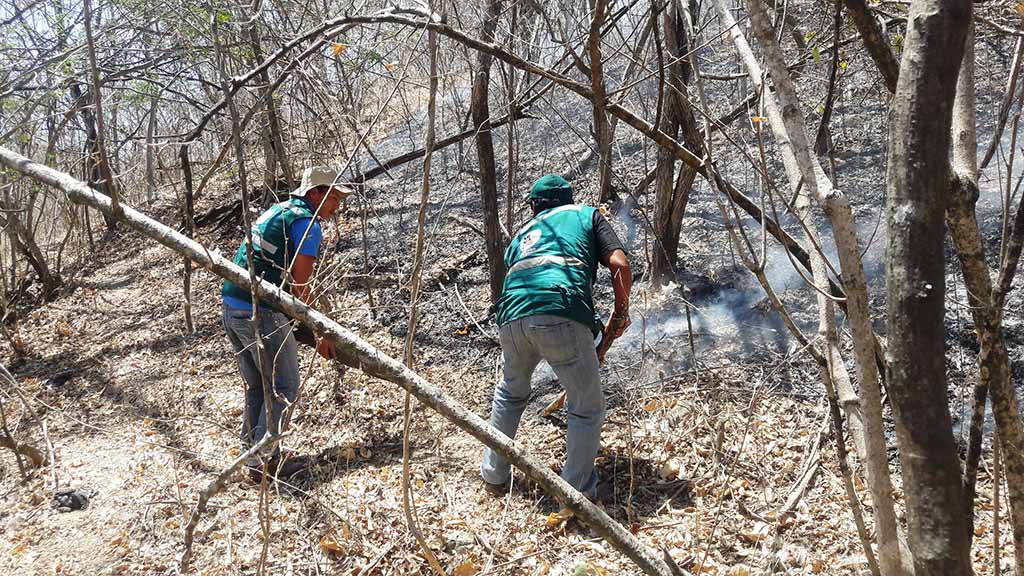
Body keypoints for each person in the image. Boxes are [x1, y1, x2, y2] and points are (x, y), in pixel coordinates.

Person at [481, 174, 632, 500]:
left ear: (535, 206)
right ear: (568, 199)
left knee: (510, 392)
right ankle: (575, 495)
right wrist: (621, 311)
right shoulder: (586, 215)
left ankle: (493, 475)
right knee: (586, 405)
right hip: (560, 310)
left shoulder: (521, 234)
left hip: (510, 318)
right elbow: (619, 263)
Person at [221, 166, 349, 475]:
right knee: (285, 387)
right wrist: (320, 332)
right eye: (334, 198)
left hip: (231, 304)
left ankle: (251, 456)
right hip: (261, 311)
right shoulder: (307, 223)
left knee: (257, 387)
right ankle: (264, 462)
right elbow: (300, 287)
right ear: (315, 193)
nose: (337, 207)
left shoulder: (279, 211)